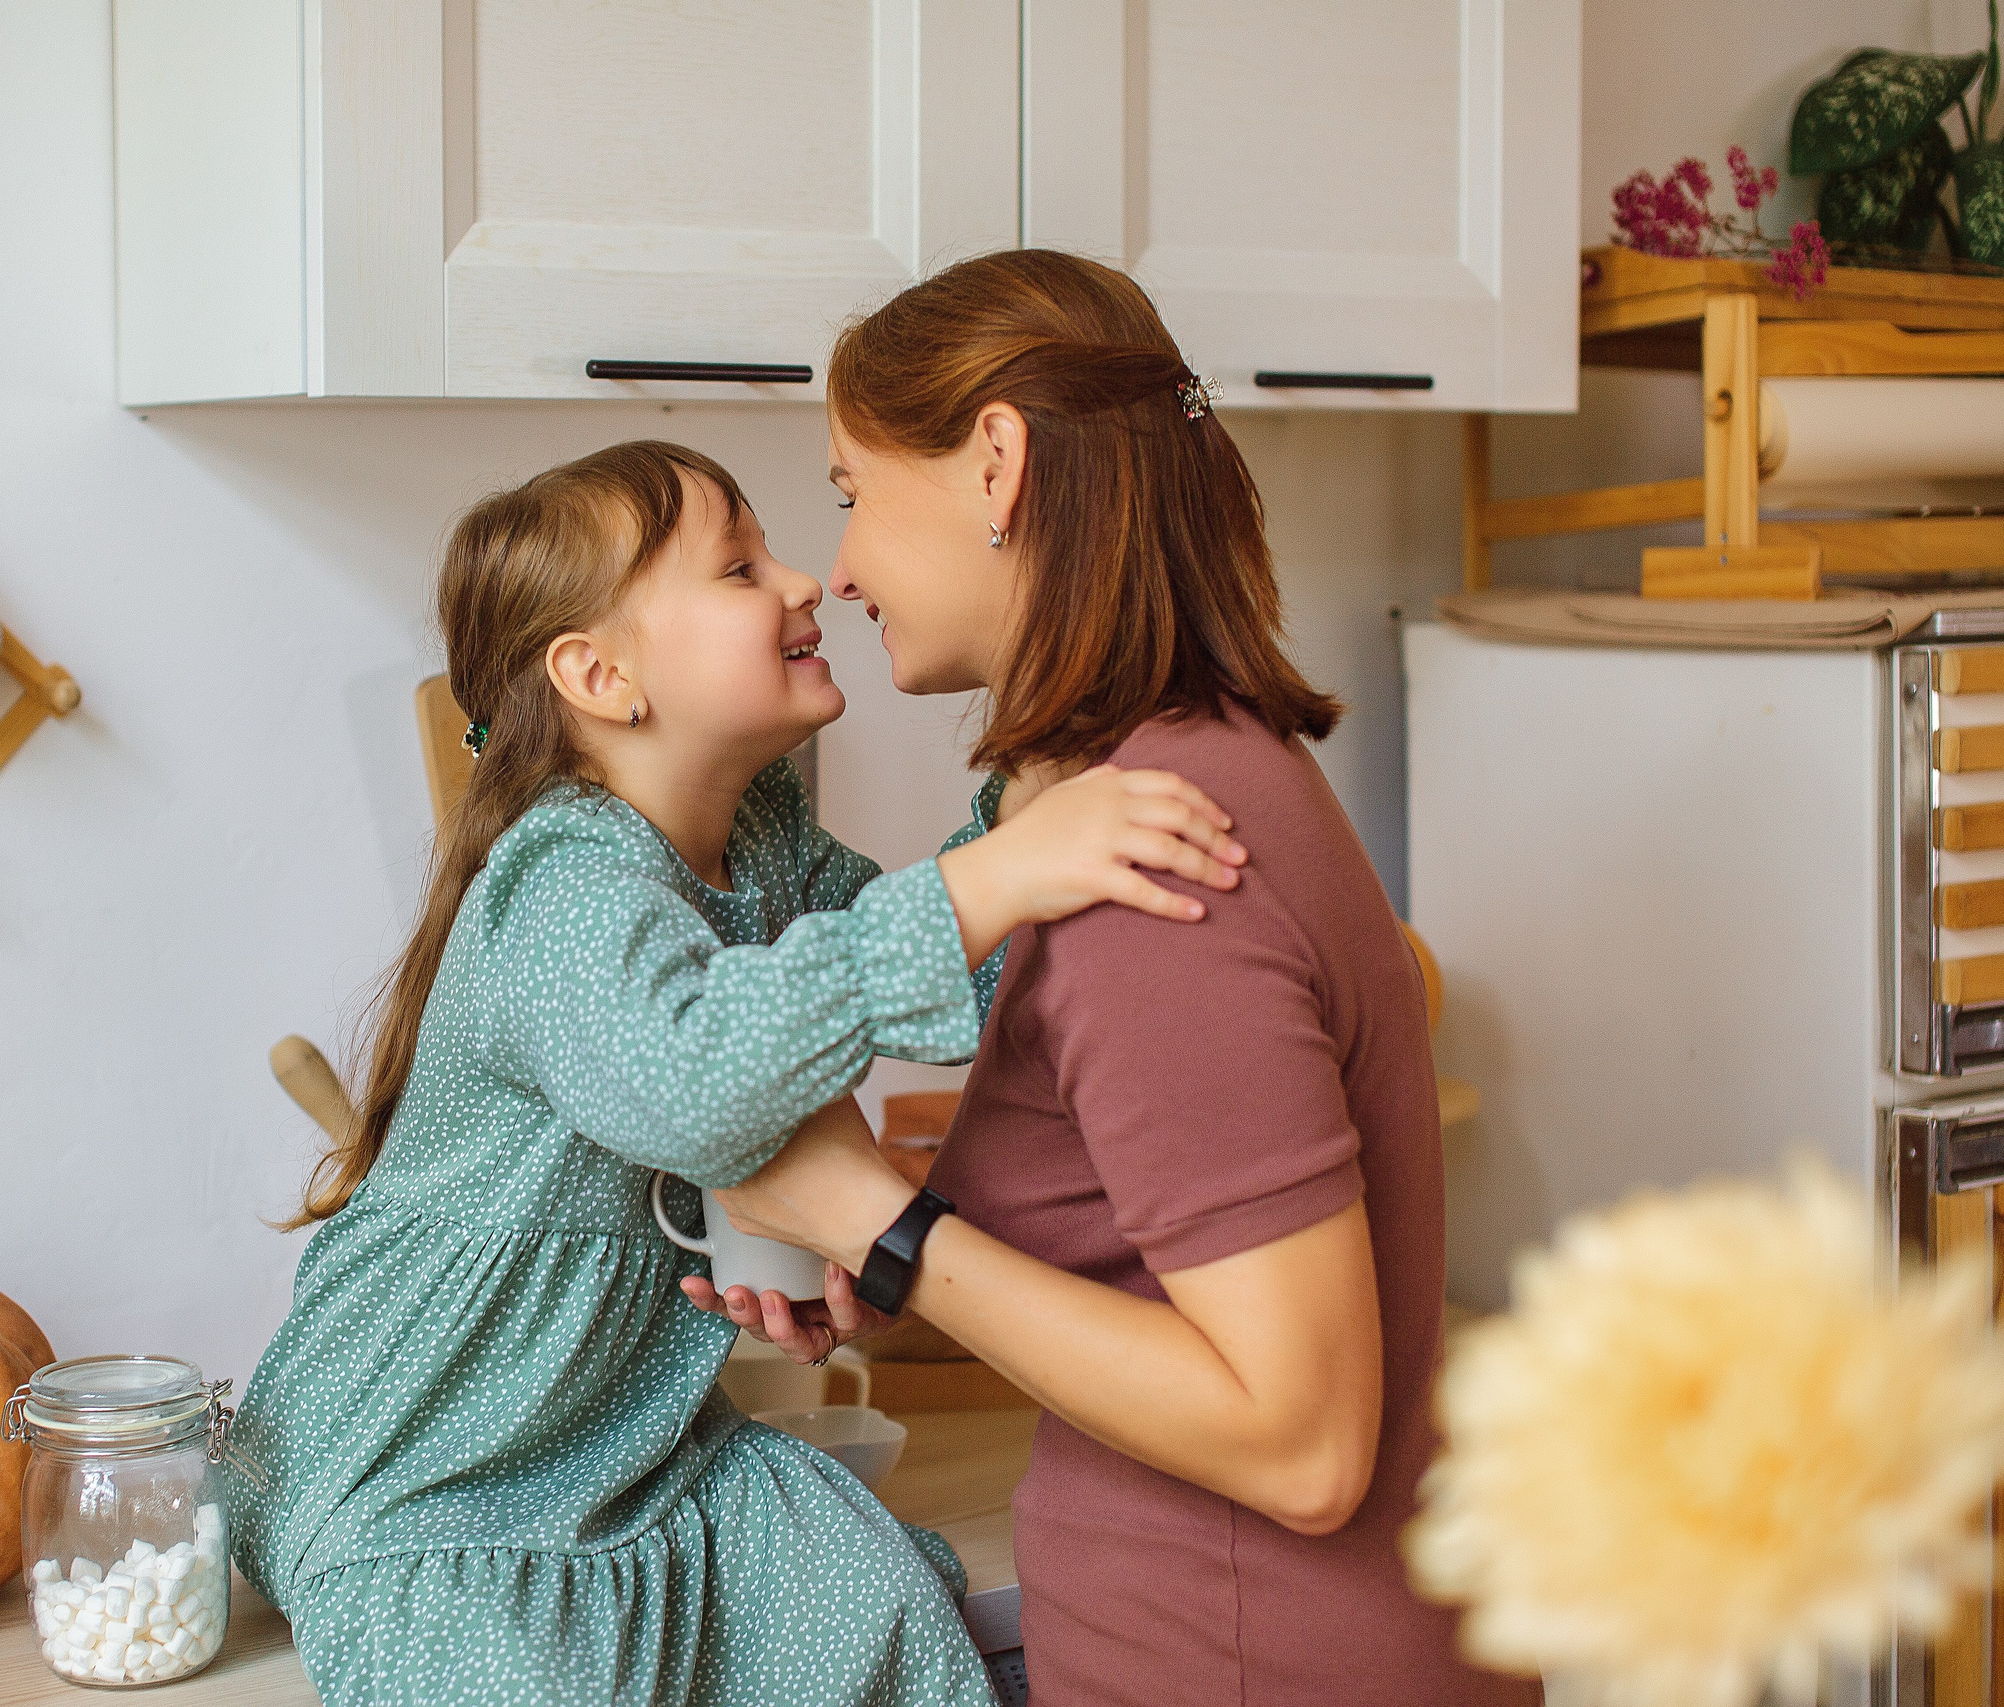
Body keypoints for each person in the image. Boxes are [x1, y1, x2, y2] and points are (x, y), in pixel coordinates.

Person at [225, 439, 1250, 1706]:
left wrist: (1032, 810)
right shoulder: (558, 885)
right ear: (600, 676)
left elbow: (965, 999)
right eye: (738, 567)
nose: (804, 581)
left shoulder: (760, 843)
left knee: (870, 1591)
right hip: (419, 1491)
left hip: (625, 1456)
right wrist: (989, 880)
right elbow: (699, 1078)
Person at [690, 251, 1540, 1706]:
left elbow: (1302, 1442)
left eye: (852, 492)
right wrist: (888, 1269)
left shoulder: (1154, 873)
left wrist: (870, 1220)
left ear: (997, 463)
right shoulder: (1168, 783)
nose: (843, 568)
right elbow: (1156, 1266)